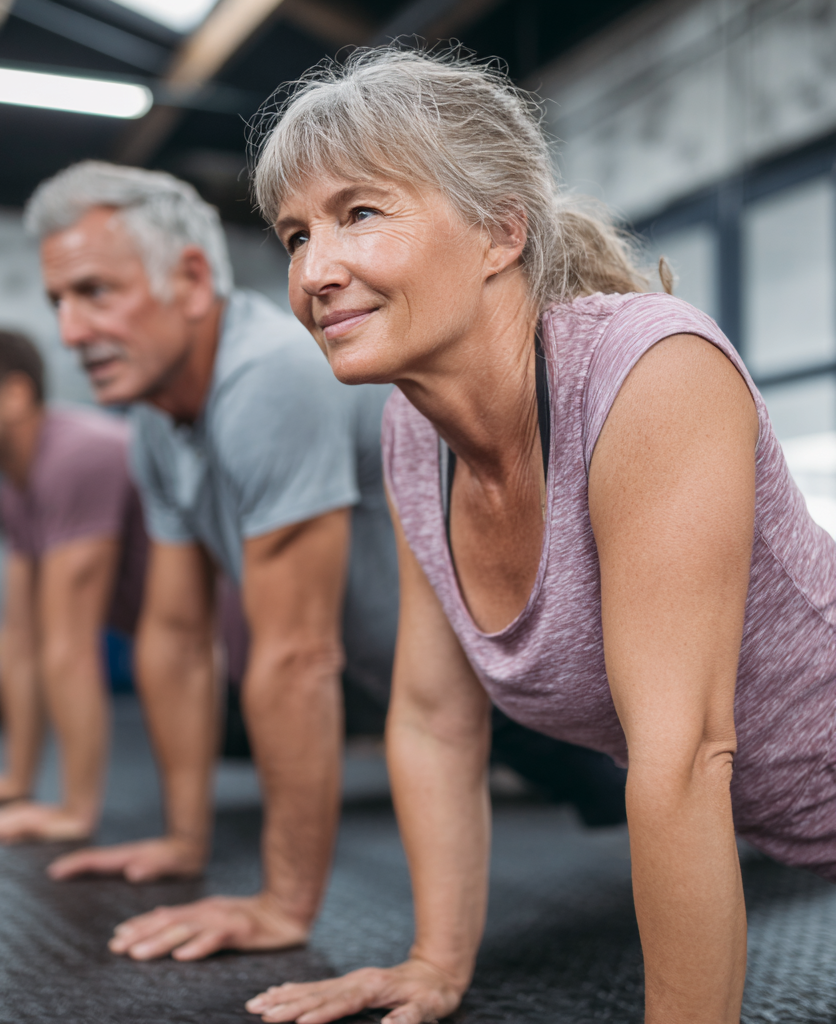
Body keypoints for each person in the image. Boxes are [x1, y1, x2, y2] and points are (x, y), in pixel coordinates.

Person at [241, 48, 836, 1024]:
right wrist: (434, 962)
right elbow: (434, 718)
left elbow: (682, 757)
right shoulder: (411, 432)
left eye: (359, 213)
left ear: (499, 231)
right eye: (294, 233)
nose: (314, 270)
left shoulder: (649, 372)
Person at [22, 162, 628, 963]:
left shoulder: (266, 376)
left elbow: (298, 656)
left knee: (724, 797)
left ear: (194, 277)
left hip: (529, 672)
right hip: (424, 683)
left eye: (96, 293)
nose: (70, 332)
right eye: (58, 303)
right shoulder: (157, 426)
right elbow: (172, 635)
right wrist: (182, 838)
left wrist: (282, 904)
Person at [0, 328, 148, 845]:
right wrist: (17, 783)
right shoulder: (13, 494)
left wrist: (72, 812)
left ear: (15, 396)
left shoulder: (81, 455)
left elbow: (70, 647)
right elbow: (21, 641)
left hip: (239, 678)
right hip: (195, 675)